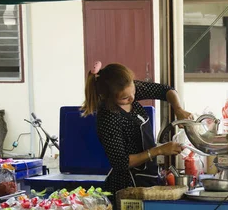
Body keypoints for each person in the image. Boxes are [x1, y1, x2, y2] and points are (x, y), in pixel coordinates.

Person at [81, 61, 193, 201]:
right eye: (125, 98)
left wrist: (178, 109)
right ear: (109, 97)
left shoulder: (128, 91)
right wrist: (158, 150)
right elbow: (121, 163)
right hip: (127, 187)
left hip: (148, 178)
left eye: (133, 91)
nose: (132, 98)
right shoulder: (108, 118)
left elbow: (166, 90)